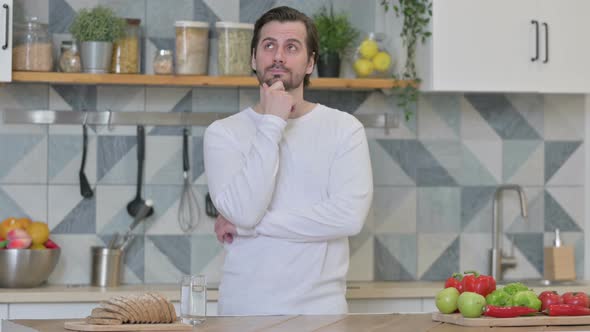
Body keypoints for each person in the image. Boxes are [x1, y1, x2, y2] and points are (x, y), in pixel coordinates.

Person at [203, 6, 373, 315]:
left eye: (291, 47)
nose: (278, 56)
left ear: (310, 63)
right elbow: (244, 210)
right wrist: (272, 123)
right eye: (269, 46)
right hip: (243, 313)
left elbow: (349, 217)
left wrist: (248, 227)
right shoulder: (223, 133)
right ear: (254, 58)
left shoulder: (344, 129)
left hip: (322, 315)